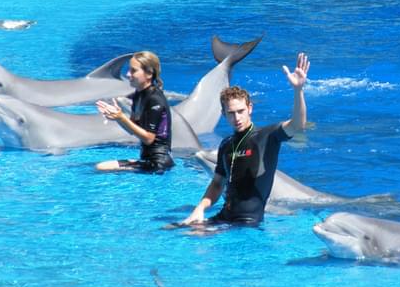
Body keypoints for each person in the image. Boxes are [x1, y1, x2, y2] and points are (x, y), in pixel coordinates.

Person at [179, 52, 310, 231]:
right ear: (223, 114)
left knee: (192, 237)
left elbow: (297, 125)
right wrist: (199, 209)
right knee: (172, 231)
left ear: (250, 109)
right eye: (231, 113)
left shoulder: (267, 136)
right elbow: (217, 183)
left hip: (247, 224)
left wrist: (298, 90)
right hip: (224, 217)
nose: (237, 117)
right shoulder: (226, 145)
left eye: (241, 111)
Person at [95, 51, 174, 174]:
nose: (127, 74)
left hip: (159, 164)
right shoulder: (139, 94)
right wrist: (117, 117)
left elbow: (148, 138)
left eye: (133, 71)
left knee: (102, 167)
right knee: (101, 166)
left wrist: (122, 118)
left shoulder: (154, 99)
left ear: (149, 73)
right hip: (147, 160)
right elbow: (132, 130)